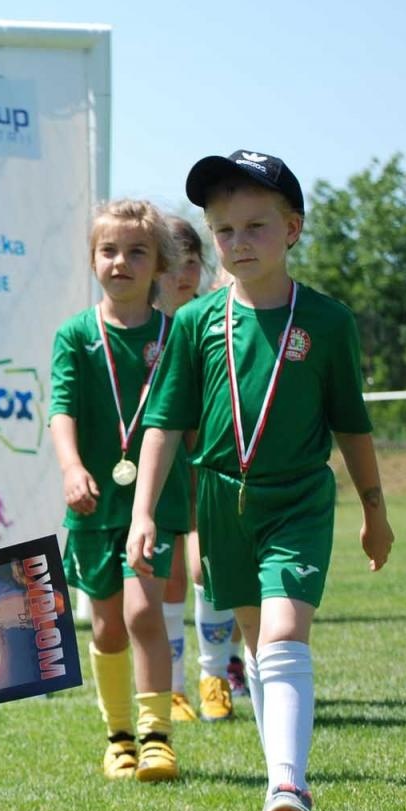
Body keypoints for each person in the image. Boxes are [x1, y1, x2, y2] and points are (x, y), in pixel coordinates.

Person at [129, 150, 394, 811]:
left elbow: (353, 425)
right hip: (220, 500)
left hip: (298, 498)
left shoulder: (327, 322)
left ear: (292, 229)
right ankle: (284, 788)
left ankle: (287, 788)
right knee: (255, 640)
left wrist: (374, 510)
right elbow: (164, 424)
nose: (238, 242)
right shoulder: (194, 323)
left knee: (281, 634)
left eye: (255, 226)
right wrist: (144, 512)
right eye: (223, 230)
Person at [48, 199, 187, 783]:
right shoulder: (76, 334)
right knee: (106, 625)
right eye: (108, 250)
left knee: (142, 611)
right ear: (92, 259)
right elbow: (61, 409)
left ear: (159, 264)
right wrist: (72, 467)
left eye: (137, 252)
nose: (121, 262)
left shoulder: (176, 334)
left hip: (155, 503)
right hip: (93, 506)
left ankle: (157, 738)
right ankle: (119, 738)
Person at [152, 216, 240, 723]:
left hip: (209, 460)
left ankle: (216, 676)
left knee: (209, 566)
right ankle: (174, 686)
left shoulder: (212, 317)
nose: (183, 275)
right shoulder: (141, 325)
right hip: (161, 468)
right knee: (167, 578)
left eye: (192, 263)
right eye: (173, 264)